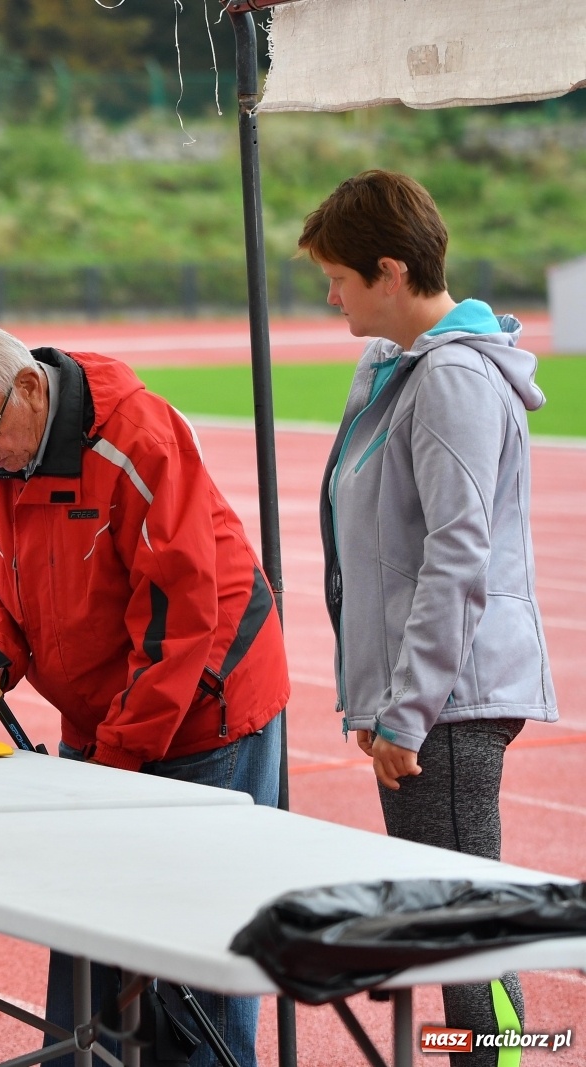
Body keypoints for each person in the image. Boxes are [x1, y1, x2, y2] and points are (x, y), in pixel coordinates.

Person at [0, 323, 289, 1067]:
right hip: (101, 716)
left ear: (28, 388)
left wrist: (109, 764)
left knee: (197, 960)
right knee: (89, 958)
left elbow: (179, 623)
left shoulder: (137, 439)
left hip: (205, 717)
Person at [301, 170, 557, 1064]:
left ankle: (510, 1061)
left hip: (449, 701)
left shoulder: (452, 379)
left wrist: (405, 710)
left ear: (390, 270)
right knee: (454, 927)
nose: (329, 296)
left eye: (338, 278)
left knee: (470, 931)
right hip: (419, 695)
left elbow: (459, 554)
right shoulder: (390, 367)